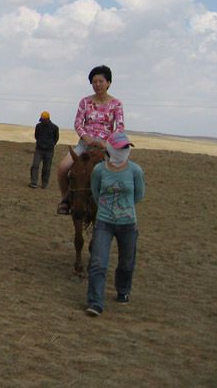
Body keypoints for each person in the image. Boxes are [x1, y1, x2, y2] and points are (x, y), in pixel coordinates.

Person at [85, 132, 145, 316]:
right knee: (98, 263)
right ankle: (95, 302)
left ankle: (123, 291)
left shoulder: (135, 171)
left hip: (128, 224)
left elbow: (139, 195)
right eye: (121, 148)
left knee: (126, 263)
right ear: (111, 150)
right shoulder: (99, 171)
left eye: (127, 147)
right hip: (104, 222)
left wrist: (123, 208)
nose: (125, 151)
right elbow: (95, 193)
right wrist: (107, 208)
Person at [56, 65, 124, 215]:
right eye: (94, 82)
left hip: (106, 147)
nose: (97, 85)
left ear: (109, 83)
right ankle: (65, 200)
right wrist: (87, 139)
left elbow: (119, 127)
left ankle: (117, 205)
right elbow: (78, 124)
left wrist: (106, 143)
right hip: (85, 144)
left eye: (101, 81)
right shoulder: (85, 102)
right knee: (62, 168)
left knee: (120, 174)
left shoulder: (116, 104)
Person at [29, 110, 59, 189]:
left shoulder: (55, 128)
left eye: (43, 120)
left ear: (47, 119)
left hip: (49, 151)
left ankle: (44, 184)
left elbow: (56, 139)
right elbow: (36, 136)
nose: (42, 121)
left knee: (47, 168)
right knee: (35, 165)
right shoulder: (38, 126)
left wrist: (50, 145)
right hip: (39, 149)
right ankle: (33, 182)